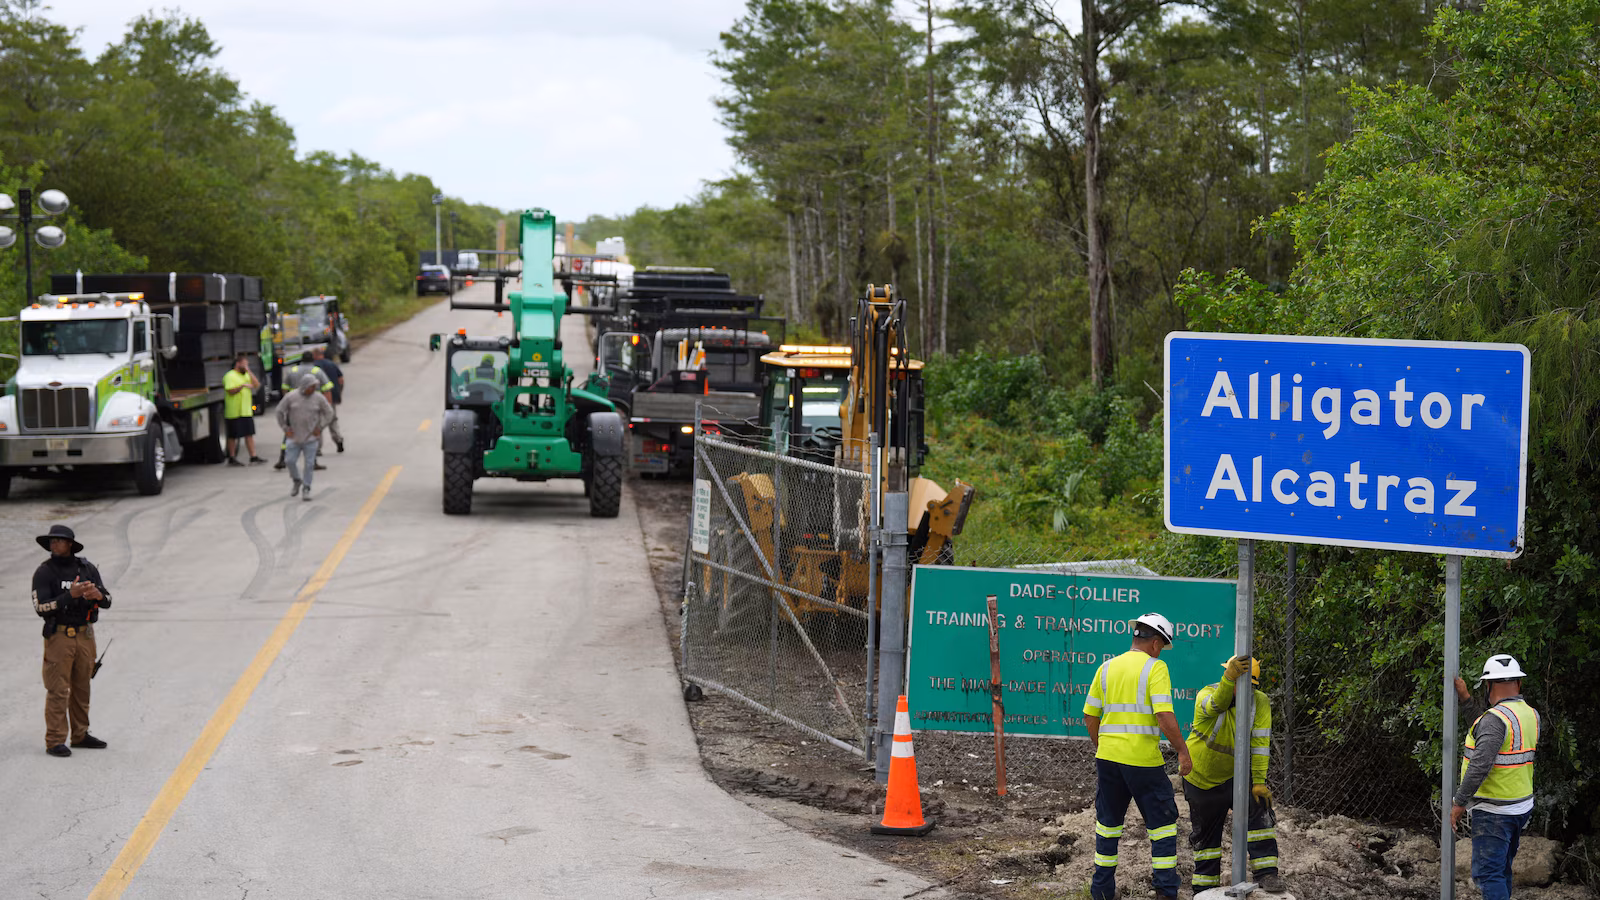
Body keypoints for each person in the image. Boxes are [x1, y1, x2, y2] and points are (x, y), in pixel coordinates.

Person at [1083, 613, 1192, 900]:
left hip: (1108, 759)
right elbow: (1164, 715)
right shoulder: (1155, 668)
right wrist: (1182, 750)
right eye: (1162, 646)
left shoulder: (1106, 668)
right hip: (1142, 761)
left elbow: (1089, 714)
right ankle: (1166, 892)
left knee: (1108, 824)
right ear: (1156, 643)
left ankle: (1102, 891)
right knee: (1163, 826)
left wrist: (1101, 745)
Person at [1183, 657, 1285, 894]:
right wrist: (1228, 679)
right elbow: (1215, 705)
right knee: (1206, 836)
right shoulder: (1207, 694)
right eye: (1234, 681)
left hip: (1236, 776)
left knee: (1259, 814)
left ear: (1253, 686)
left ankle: (1267, 873)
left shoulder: (1259, 703)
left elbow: (1260, 744)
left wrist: (1258, 782)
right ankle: (1204, 888)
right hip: (1201, 777)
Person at [1452, 655, 1540, 900]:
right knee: (1501, 870)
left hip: (1495, 811)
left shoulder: (1496, 719)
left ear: (1489, 686)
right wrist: (1466, 700)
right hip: (1520, 806)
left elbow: (1480, 764)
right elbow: (1487, 732)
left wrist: (1459, 802)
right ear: (1518, 684)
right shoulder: (1529, 714)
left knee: (1489, 874)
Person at [31, 524, 112, 757]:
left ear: (70, 544)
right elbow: (41, 607)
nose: (54, 544)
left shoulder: (86, 568)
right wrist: (70, 595)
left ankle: (80, 734)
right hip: (59, 636)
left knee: (82, 686)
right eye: (52, 541)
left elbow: (107, 599)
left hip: (85, 635)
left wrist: (98, 595)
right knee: (58, 689)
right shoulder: (44, 572)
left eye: (59, 540)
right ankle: (55, 740)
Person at [277, 374, 333, 500]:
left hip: (311, 438)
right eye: (311, 386)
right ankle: (297, 480)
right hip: (294, 437)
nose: (313, 389)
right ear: (304, 386)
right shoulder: (291, 397)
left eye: (315, 386)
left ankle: (306, 487)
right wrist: (285, 429)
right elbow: (279, 411)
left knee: (309, 464)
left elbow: (329, 412)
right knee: (289, 461)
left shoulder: (318, 398)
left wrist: (320, 427)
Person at [274, 355, 330, 470]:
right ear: (312, 360)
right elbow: (327, 388)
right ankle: (313, 461)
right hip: (312, 408)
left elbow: (284, 387)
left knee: (289, 433)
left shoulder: (292, 371)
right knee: (312, 434)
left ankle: (282, 458)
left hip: (294, 408)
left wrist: (288, 402)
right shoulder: (317, 371)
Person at [221, 354, 264, 466]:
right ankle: (232, 457)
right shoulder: (230, 376)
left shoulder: (245, 375)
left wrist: (249, 371)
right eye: (245, 364)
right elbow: (230, 391)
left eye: (247, 364)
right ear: (238, 364)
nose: (246, 366)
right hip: (234, 411)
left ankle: (253, 456)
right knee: (233, 435)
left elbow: (257, 385)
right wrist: (242, 386)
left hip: (245, 411)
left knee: (249, 434)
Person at [310, 345, 345, 453]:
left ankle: (318, 447)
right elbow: (341, 380)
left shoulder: (314, 367)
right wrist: (339, 393)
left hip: (319, 398)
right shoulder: (332, 364)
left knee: (318, 421)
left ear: (314, 356)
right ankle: (338, 440)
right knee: (332, 419)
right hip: (333, 396)